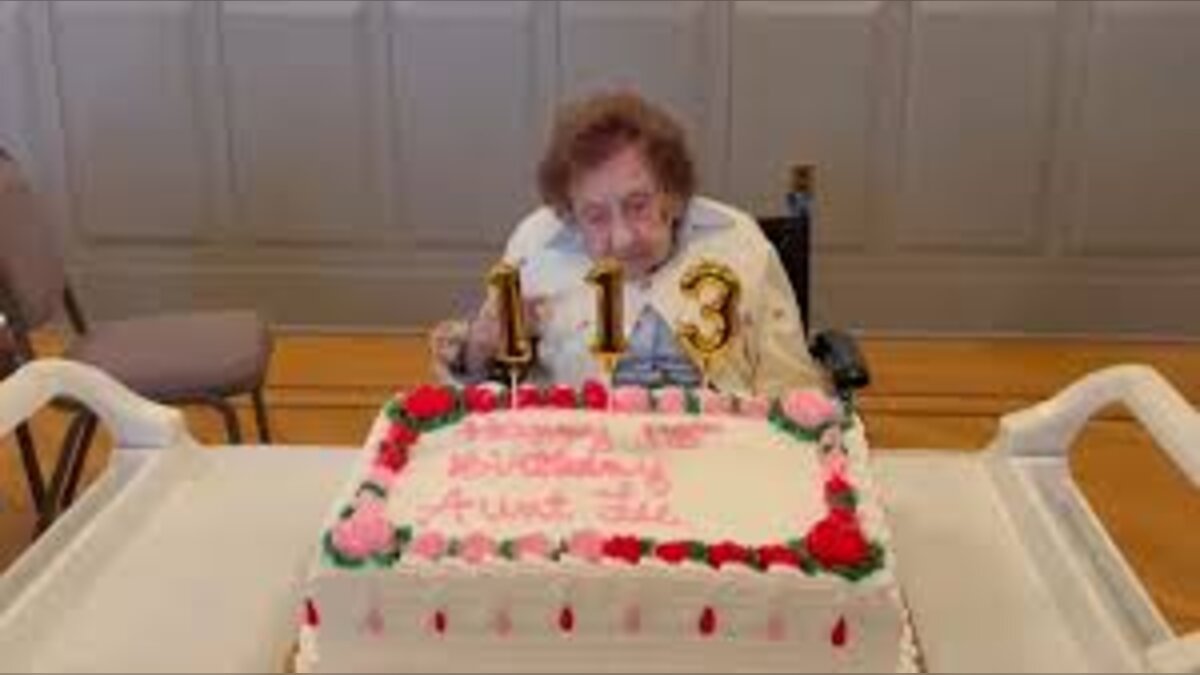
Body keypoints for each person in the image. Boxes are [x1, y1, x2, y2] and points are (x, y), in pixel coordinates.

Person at [431, 90, 823, 395]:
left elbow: (793, 387)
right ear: (569, 214)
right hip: (580, 461)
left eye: (638, 205)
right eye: (595, 216)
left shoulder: (738, 243)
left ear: (672, 194)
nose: (622, 239)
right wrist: (478, 351)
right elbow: (488, 397)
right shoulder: (536, 249)